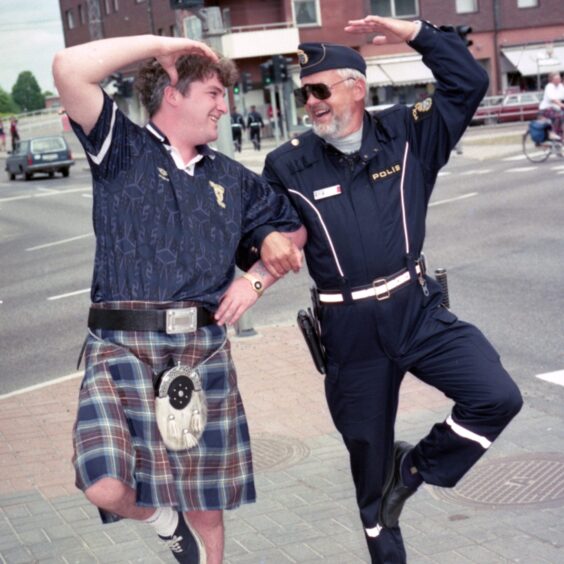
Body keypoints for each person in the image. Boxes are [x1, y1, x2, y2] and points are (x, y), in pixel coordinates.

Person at [259, 15, 523, 563]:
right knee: (371, 494)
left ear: (357, 87)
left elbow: (468, 83)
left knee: (497, 395)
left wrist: (413, 32)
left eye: (319, 89)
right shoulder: (287, 163)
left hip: (417, 310)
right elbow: (256, 225)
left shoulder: (408, 133)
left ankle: (416, 467)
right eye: (303, 93)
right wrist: (265, 238)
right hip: (350, 336)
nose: (309, 103)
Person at [52, 34, 305, 564]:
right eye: (213, 92)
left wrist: (254, 278)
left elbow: (290, 232)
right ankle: (164, 522)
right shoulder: (120, 146)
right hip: (119, 346)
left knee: (206, 502)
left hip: (200, 347)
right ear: (172, 91)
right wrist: (162, 44)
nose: (223, 105)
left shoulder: (232, 179)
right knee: (101, 482)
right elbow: (69, 68)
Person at [538, 71, 564, 139]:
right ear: (552, 80)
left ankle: (560, 136)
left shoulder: (560, 86)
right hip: (545, 109)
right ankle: (553, 133)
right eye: (556, 79)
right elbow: (553, 99)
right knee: (560, 115)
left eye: (559, 78)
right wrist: (561, 104)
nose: (559, 80)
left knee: (561, 115)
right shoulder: (549, 87)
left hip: (556, 109)